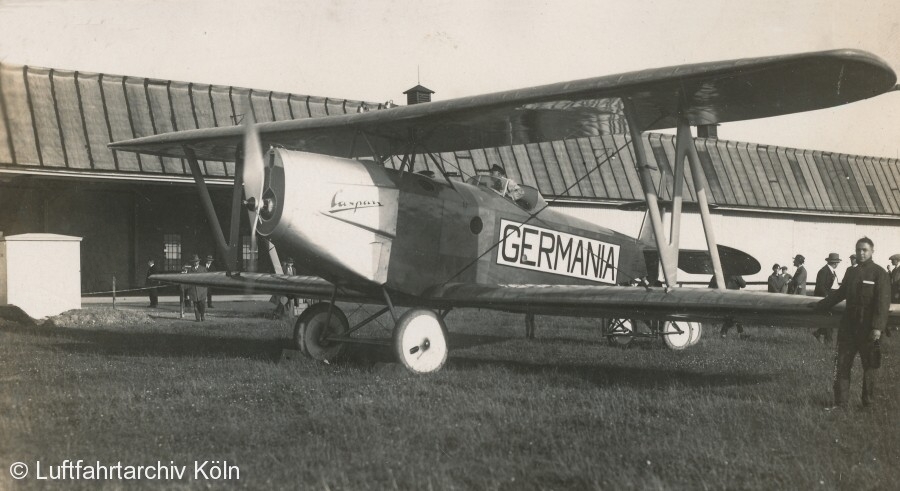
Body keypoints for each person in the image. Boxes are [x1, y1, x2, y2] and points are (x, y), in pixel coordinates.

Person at [817, 237, 890, 409]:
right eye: (858, 250)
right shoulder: (850, 272)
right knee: (842, 364)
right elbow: (840, 294)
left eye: (865, 250)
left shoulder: (880, 273)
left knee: (870, 367)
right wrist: (819, 305)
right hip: (848, 327)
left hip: (868, 329)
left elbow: (882, 303)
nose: (861, 253)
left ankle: (867, 404)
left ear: (872, 251)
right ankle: (841, 403)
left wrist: (877, 328)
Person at [813, 253, 842, 343]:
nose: (837, 264)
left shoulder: (831, 271)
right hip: (827, 297)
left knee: (829, 318)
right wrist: (827, 296)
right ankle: (828, 341)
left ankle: (819, 333)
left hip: (832, 296)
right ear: (834, 263)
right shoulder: (824, 271)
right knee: (829, 318)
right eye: (837, 262)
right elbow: (820, 286)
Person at [186, 254, 208, 322]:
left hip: (202, 290)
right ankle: (197, 318)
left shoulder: (203, 269)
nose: (195, 263)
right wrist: (188, 292)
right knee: (195, 305)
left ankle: (202, 316)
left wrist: (205, 289)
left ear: (199, 262)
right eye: (194, 261)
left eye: (196, 261)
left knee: (202, 305)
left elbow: (206, 279)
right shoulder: (190, 270)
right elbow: (188, 281)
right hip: (193, 290)